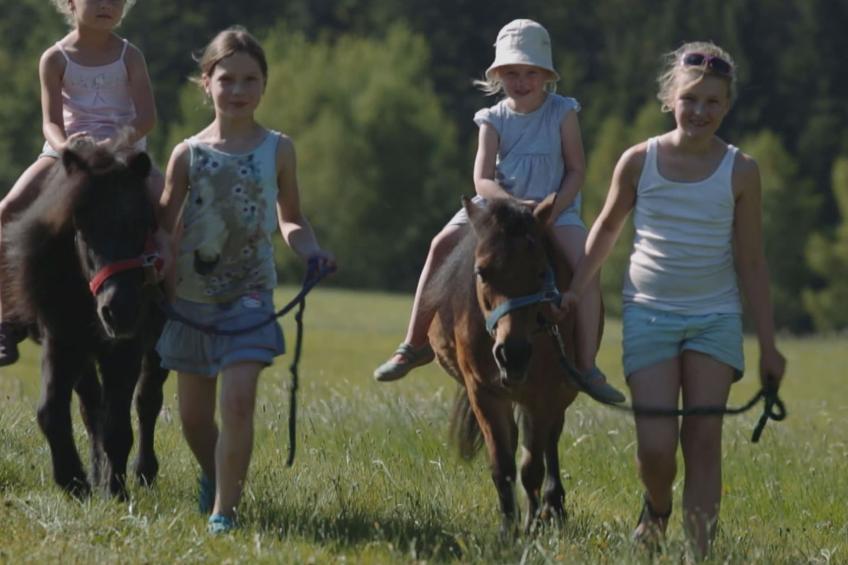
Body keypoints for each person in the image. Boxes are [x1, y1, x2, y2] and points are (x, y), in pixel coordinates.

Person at [556, 42, 786, 558]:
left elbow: (752, 263)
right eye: (690, 99)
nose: (700, 111)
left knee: (703, 442)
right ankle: (657, 507)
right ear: (669, 99)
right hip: (649, 315)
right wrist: (575, 289)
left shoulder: (741, 171)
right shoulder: (639, 161)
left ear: (727, 107)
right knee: (656, 450)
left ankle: (698, 553)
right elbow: (607, 229)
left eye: (712, 101)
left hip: (715, 318)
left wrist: (770, 347)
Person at [372, 19, 624, 404]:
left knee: (586, 266)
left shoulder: (562, 112)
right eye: (511, 73)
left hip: (553, 209)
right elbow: (482, 179)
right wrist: (509, 203)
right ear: (498, 75)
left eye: (530, 72)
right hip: (498, 211)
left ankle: (586, 366)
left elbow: (576, 169)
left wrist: (553, 208)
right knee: (441, 245)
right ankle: (414, 342)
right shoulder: (492, 118)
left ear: (545, 75)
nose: (521, 81)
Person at [156, 26, 335, 535]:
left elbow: (292, 219)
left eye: (249, 80)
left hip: (251, 296)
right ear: (205, 82)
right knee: (193, 419)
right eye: (226, 79)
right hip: (191, 299)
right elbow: (165, 225)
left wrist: (312, 252)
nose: (238, 91)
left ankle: (224, 514)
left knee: (237, 400)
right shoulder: (186, 154)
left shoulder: (278, 149)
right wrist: (154, 262)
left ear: (264, 86)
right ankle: (215, 476)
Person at [0, 0, 162, 366]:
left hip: (123, 151)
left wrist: (112, 145)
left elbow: (146, 118)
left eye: (116, 0)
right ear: (71, 4)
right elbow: (50, 122)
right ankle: (8, 319)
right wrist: (66, 148)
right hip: (67, 154)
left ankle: (177, 304)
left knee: (168, 204)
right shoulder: (55, 58)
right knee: (7, 209)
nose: (108, 5)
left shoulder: (129, 55)